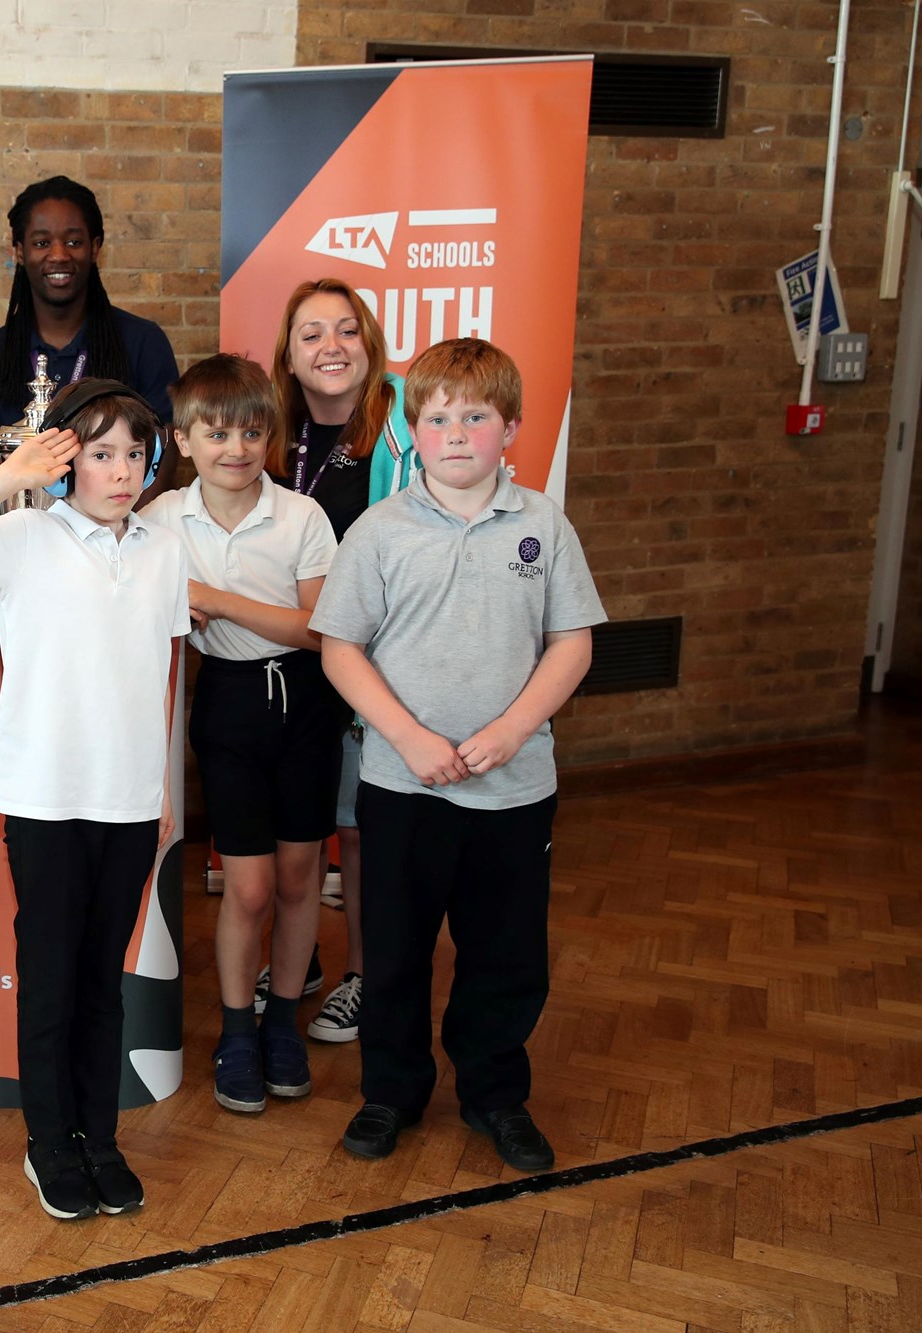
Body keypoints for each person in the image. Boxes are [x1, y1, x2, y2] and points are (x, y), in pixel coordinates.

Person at [308, 338, 604, 1172]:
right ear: (415, 429)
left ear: (510, 426)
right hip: (404, 784)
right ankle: (390, 1093)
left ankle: (495, 1095)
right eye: (437, 419)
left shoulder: (543, 523)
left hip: (514, 791)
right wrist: (407, 736)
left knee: (506, 955)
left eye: (476, 416)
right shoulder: (379, 530)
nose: (458, 434)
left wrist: (513, 730)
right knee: (395, 949)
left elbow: (571, 644)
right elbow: (341, 650)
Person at [0, 379, 189, 1223]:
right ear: (64, 459)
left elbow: (162, 674)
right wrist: (8, 477)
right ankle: (47, 1140)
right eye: (100, 453)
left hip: (129, 798)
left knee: (104, 976)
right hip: (44, 796)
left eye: (135, 453)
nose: (122, 468)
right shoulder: (24, 536)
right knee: (52, 972)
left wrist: (161, 790)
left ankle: (99, 1137)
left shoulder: (163, 549)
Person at [140, 355, 338, 1117]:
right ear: (184, 440)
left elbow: (319, 628)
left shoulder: (300, 516)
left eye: (253, 432)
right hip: (226, 705)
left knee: (298, 880)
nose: (237, 448)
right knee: (247, 886)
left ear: (271, 436)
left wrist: (215, 599)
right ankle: (235, 1032)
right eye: (217, 433)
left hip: (306, 701)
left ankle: (281, 1022)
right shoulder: (160, 521)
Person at [270, 277, 420, 1047]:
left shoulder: (408, 432)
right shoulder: (272, 434)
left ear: (369, 343)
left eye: (345, 331)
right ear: (289, 359)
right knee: (300, 824)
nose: (330, 347)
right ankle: (306, 964)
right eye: (310, 335)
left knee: (357, 831)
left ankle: (363, 972)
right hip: (292, 664)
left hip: (374, 665)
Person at [0, 176, 180, 442]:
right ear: (19, 252)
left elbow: (163, 457)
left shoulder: (144, 343)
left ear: (95, 248)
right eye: (41, 243)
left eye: (74, 242)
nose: (59, 254)